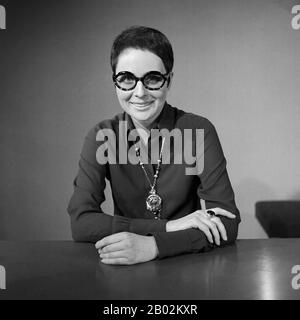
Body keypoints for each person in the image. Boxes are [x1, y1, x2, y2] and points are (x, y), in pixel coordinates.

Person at [67, 26, 241, 265]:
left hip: (189, 264)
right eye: (127, 79)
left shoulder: (198, 131)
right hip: (124, 266)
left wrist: (154, 245)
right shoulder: (102, 135)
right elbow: (81, 222)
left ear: (169, 80)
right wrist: (169, 227)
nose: (139, 93)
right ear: (115, 82)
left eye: (152, 79)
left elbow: (227, 223)